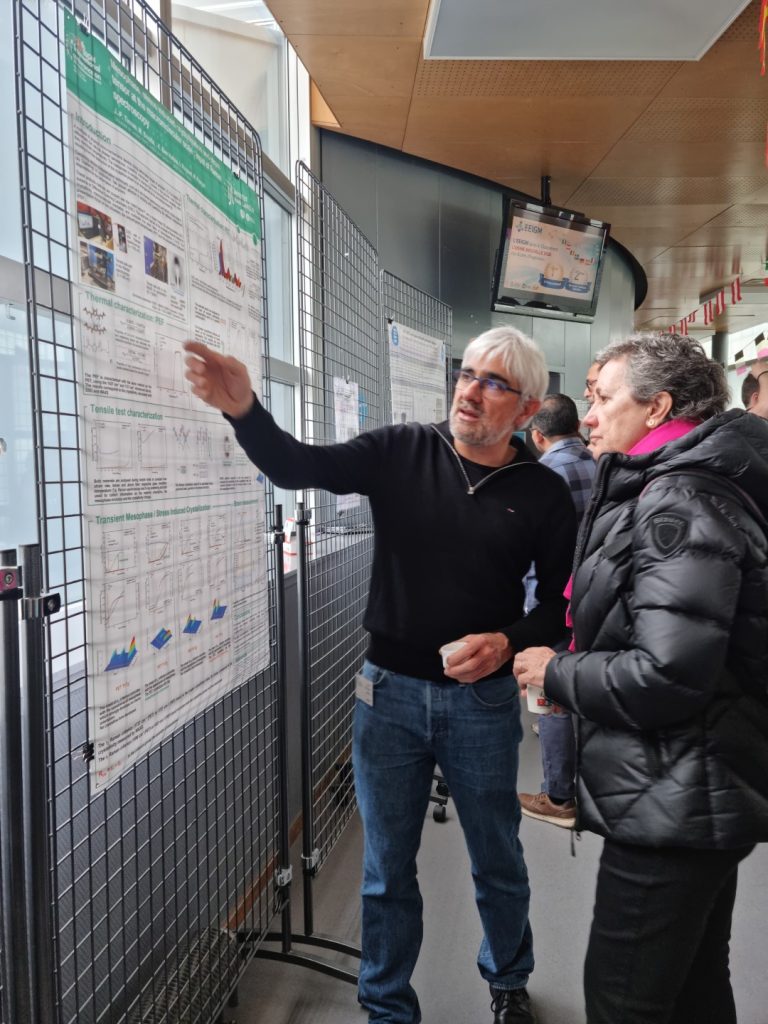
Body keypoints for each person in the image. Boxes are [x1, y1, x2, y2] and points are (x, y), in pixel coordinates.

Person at [184, 327, 577, 1024]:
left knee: (497, 857)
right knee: (386, 867)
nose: (470, 391)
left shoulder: (543, 492)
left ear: (526, 410)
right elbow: (298, 465)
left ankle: (508, 978)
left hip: (482, 702)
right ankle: (387, 1006)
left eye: (494, 383)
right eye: (467, 374)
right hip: (387, 695)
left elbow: (556, 605)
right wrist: (245, 410)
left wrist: (507, 641)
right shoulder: (403, 450)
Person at [513, 332, 768, 1024]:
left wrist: (556, 671)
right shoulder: (687, 479)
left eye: (602, 399)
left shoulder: (679, 498)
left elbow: (666, 673)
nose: (588, 417)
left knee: (624, 1000)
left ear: (657, 408)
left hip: (672, 796)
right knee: (694, 989)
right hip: (696, 786)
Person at [519, 394, 596, 828]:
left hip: (554, 602)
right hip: (592, 597)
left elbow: (529, 553)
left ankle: (558, 795)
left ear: (537, 435)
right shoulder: (598, 462)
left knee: (548, 692)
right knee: (576, 685)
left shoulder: (543, 475)